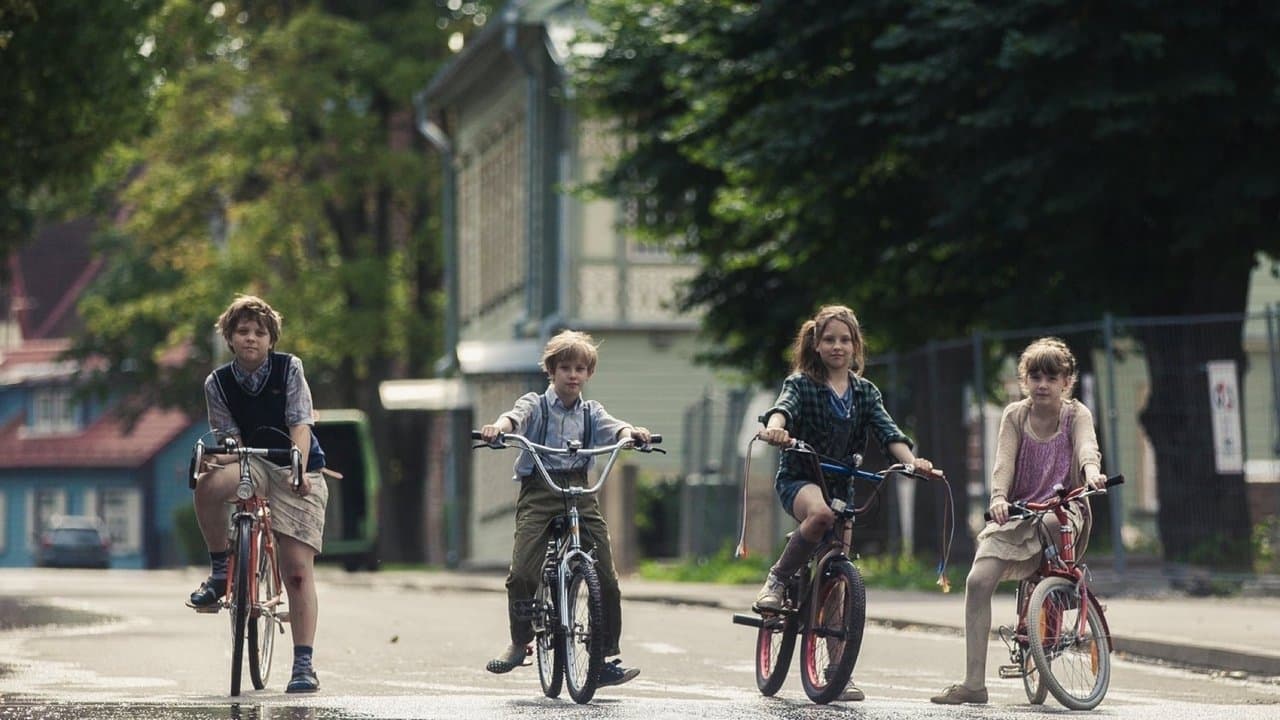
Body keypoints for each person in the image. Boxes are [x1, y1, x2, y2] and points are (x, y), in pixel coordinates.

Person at [754, 304, 937, 703]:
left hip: (843, 484)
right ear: (816, 345)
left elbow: (890, 432)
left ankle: (837, 673)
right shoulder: (801, 384)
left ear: (856, 347)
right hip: (801, 477)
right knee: (818, 514)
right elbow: (781, 410)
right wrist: (775, 429)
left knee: (838, 584)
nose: (838, 346)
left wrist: (913, 463)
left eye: (845, 340)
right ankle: (778, 578)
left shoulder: (865, 392)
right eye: (829, 339)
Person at [931, 337, 1108, 705]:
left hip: (1064, 510)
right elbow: (1003, 464)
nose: (1043, 384)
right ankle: (974, 685)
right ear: (1025, 380)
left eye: (1051, 377)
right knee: (977, 582)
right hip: (1018, 513)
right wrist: (998, 499)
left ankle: (1057, 596)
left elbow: (1087, 446)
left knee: (1049, 526)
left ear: (1066, 381)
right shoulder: (1015, 416)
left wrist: (1092, 473)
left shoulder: (1077, 415)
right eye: (1035, 376)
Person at [479, 330, 651, 688]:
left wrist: (631, 433)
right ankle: (519, 641)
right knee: (523, 571)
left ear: (589, 374)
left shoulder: (591, 412)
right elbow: (515, 417)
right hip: (540, 488)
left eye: (581, 369)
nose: (573, 375)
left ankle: (604, 658)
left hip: (579, 488)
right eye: (565, 368)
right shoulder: (536, 404)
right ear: (551, 371)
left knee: (605, 575)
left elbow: (613, 427)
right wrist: (499, 428)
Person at [187, 294, 330, 694]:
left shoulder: (289, 369)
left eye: (259, 332)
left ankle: (303, 664)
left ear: (271, 340)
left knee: (297, 570)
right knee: (207, 480)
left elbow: (300, 422)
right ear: (230, 338)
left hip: (294, 464)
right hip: (251, 460)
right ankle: (221, 571)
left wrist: (299, 467)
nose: (251, 338)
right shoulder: (217, 382)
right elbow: (227, 434)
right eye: (242, 331)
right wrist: (223, 457)